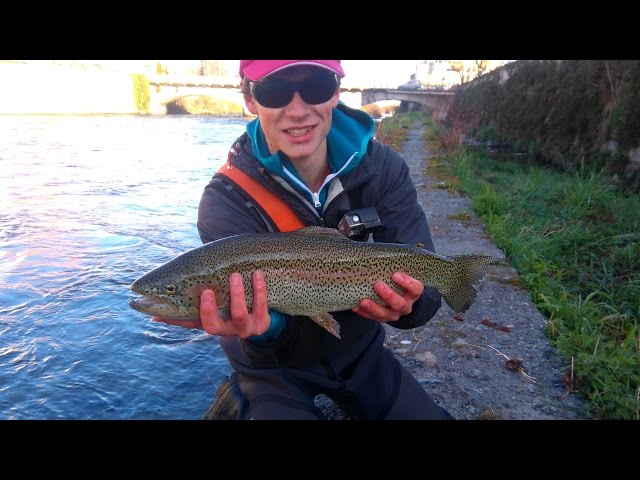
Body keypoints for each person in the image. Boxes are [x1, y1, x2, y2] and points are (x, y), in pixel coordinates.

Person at [155, 60, 454, 420]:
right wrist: (267, 332)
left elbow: (429, 289)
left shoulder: (384, 168)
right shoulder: (224, 201)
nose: (297, 111)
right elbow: (261, 345)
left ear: (336, 93)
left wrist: (411, 306)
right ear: (250, 98)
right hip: (273, 371)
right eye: (275, 90)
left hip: (361, 355)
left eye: (314, 86)